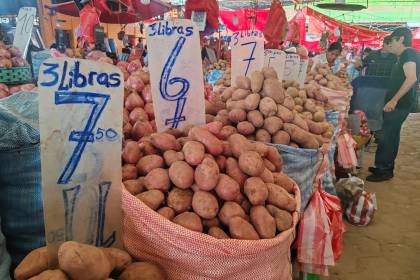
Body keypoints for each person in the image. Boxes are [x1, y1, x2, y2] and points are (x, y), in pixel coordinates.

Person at [367, 27, 418, 182]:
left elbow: (411, 78)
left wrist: (394, 100)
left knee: (388, 135)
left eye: (393, 41)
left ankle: (384, 170)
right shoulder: (404, 55)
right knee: (390, 135)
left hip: (400, 104)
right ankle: (383, 165)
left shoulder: (408, 54)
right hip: (399, 103)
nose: (391, 45)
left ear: (401, 39)